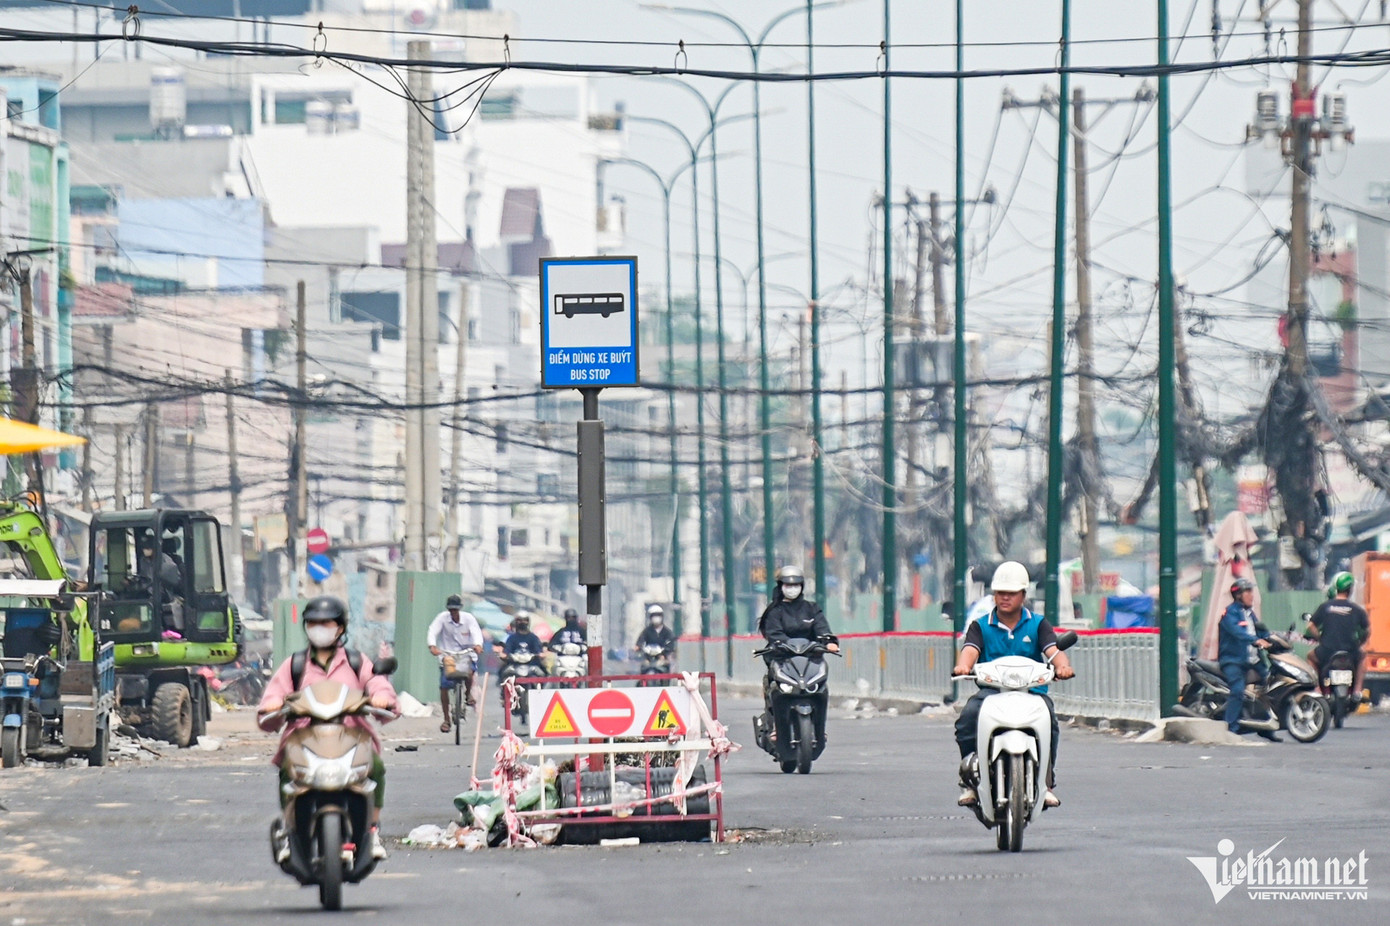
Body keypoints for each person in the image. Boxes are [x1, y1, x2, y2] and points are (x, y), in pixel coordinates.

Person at [257, 596, 397, 861]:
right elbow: (274, 695)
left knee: (375, 767)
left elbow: (377, 683)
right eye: (313, 623)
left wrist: (382, 697)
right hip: (305, 737)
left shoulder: (357, 662)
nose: (319, 628)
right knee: (288, 771)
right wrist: (272, 705)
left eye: (326, 623)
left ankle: (372, 829)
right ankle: (289, 831)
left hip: (351, 736)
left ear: (340, 628)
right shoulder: (295, 665)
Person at [952, 561, 1073, 809]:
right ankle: (970, 778)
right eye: (1000, 593)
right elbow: (969, 651)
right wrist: (963, 666)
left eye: (1011, 593)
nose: (1005, 598)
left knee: (1049, 721)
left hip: (1032, 693)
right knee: (967, 719)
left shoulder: (1038, 624)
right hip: (991, 693)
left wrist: (1063, 666)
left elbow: (1053, 650)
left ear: (1023, 596)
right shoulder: (980, 625)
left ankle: (1047, 783)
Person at [757, 565, 839, 743]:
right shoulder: (774, 611)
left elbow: (822, 628)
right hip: (782, 659)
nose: (792, 588)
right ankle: (775, 725)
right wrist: (782, 645)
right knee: (774, 688)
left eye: (796, 585)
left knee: (822, 689)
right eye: (787, 585)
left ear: (802, 586)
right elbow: (773, 633)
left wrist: (829, 642)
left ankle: (819, 726)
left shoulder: (811, 609)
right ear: (780, 586)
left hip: (810, 659)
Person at [1218, 576, 1279, 741]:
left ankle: (1266, 726)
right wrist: (1255, 640)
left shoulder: (1250, 614)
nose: (1252, 595)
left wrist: (1274, 639)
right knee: (1237, 691)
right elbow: (1238, 633)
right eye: (1248, 592)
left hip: (1253, 661)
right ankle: (1230, 728)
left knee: (1271, 686)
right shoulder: (1229, 613)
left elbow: (1262, 632)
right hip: (1233, 661)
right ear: (1238, 595)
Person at [1306, 571, 1371, 703]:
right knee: (1363, 657)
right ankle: (1357, 690)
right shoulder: (1357, 609)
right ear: (1350, 589)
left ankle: (1318, 689)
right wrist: (1360, 642)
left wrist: (1319, 638)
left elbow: (1310, 626)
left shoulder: (1326, 606)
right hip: (1350, 651)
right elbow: (1367, 631)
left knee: (1310, 657)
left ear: (1336, 587)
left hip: (1327, 651)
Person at [427, 594, 484, 734]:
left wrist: (478, 645)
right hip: (448, 656)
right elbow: (432, 631)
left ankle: (468, 694)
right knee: (444, 687)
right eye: (451, 610)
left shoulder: (468, 619)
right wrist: (432, 646)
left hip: (466, 653)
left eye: (455, 609)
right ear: (448, 609)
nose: (453, 612)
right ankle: (446, 719)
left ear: (460, 609)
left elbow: (476, 632)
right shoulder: (442, 618)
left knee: (470, 672)